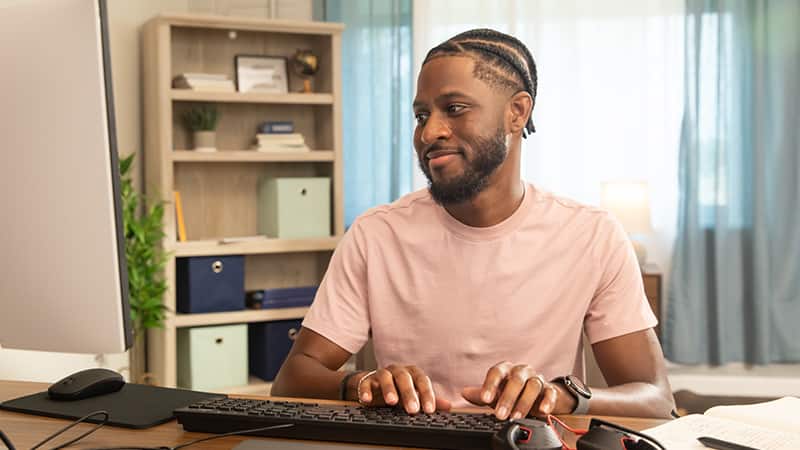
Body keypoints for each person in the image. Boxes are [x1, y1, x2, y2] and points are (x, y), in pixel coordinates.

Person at [272, 28, 675, 420]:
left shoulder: (593, 235)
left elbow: (655, 399)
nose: (429, 132)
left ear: (517, 113)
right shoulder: (375, 234)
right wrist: (363, 383)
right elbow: (293, 378)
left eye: (455, 108)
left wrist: (561, 395)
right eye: (421, 115)